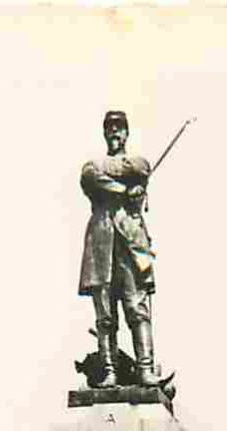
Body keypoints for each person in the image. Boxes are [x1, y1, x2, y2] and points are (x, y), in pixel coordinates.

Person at [79, 110, 157, 385]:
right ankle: (110, 372)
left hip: (130, 244)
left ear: (126, 132)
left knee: (137, 309)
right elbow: (90, 177)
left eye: (119, 128)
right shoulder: (92, 166)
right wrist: (126, 190)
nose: (114, 132)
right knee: (105, 315)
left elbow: (141, 167)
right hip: (100, 244)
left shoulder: (136, 163)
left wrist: (119, 176)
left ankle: (146, 369)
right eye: (110, 128)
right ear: (104, 133)